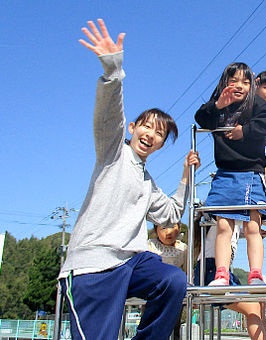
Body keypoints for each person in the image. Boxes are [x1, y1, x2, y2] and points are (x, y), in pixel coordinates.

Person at [58, 19, 200, 340]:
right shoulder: (113, 151)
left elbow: (171, 214)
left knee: (173, 280)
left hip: (131, 264)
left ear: (162, 144)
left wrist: (187, 177)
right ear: (133, 127)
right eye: (147, 126)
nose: (151, 134)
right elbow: (110, 116)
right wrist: (113, 72)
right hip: (93, 266)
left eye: (160, 133)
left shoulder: (147, 181)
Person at [195, 62, 266, 286]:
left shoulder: (256, 104)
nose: (239, 86)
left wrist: (246, 130)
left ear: (252, 84)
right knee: (223, 225)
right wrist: (217, 105)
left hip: (250, 172)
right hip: (224, 173)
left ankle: (256, 274)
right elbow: (201, 118)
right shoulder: (219, 104)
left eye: (245, 81)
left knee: (252, 226)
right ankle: (221, 273)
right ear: (225, 84)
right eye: (234, 81)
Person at [193, 213, 266, 340]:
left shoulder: (233, 223)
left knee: (260, 301)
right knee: (254, 308)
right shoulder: (218, 216)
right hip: (212, 270)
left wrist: (255, 232)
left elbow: (243, 228)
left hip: (220, 270)